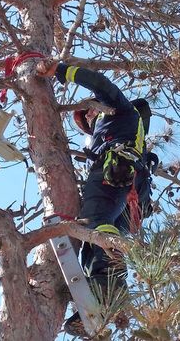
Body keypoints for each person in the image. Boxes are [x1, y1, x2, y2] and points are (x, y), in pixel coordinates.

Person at [37, 59, 153, 337]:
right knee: (101, 236)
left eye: (88, 115)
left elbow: (100, 84)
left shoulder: (122, 111)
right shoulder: (135, 142)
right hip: (130, 198)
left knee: (95, 222)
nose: (88, 120)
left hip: (116, 171)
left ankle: (105, 287)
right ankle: (99, 300)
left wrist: (61, 71)